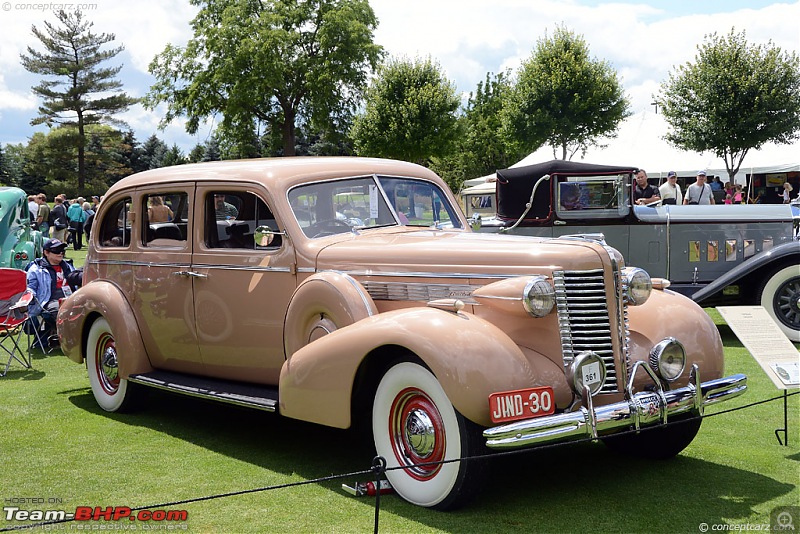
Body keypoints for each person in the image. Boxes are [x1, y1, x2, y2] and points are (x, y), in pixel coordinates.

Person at [26, 239, 76, 349]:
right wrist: (30, 296)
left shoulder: (68, 266)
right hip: (48, 300)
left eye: (62, 250)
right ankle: (69, 342)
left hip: (72, 297)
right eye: (57, 251)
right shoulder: (36, 269)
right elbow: (30, 287)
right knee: (61, 310)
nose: (61, 253)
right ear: (46, 252)